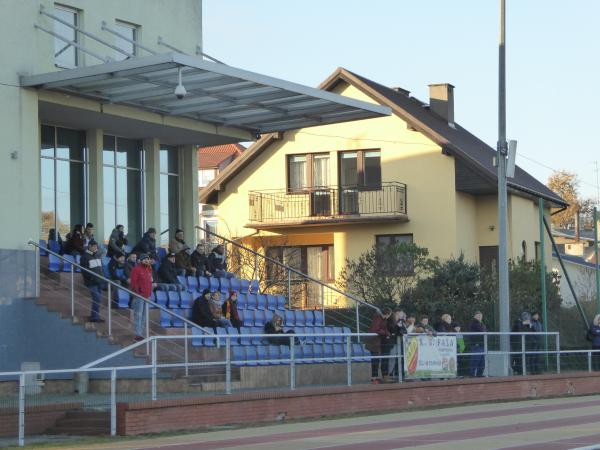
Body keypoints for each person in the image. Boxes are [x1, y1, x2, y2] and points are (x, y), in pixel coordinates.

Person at [129, 253, 155, 341]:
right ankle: (137, 334)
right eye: (144, 259)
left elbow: (150, 281)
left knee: (144, 316)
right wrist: (138, 292)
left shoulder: (149, 269)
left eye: (148, 259)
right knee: (138, 315)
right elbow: (133, 283)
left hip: (147, 296)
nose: (147, 261)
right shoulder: (136, 269)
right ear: (140, 260)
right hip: (139, 296)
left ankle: (140, 333)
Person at [79, 240, 104, 323]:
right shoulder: (85, 257)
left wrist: (101, 278)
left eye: (96, 247)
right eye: (93, 247)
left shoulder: (96, 256)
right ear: (89, 246)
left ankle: (96, 316)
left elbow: (100, 269)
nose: (95, 248)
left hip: (98, 282)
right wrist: (92, 278)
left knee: (98, 299)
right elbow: (84, 270)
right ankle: (94, 317)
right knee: (96, 298)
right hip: (91, 282)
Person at [366, 307, 392, 384]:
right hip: (373, 342)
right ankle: (374, 378)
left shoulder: (383, 319)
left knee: (377, 359)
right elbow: (375, 329)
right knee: (375, 360)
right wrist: (385, 333)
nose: (390, 316)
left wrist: (387, 333)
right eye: (389, 315)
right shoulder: (377, 317)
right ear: (387, 314)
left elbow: (384, 328)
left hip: (377, 342)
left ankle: (376, 377)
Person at [387, 309, 407, 379]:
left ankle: (397, 375)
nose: (400, 316)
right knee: (391, 359)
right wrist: (398, 327)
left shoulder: (400, 322)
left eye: (401, 314)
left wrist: (400, 328)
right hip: (392, 343)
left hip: (399, 344)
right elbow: (392, 329)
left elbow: (404, 331)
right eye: (399, 314)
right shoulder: (390, 321)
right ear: (396, 314)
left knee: (399, 359)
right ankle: (388, 375)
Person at [468, 311, 487, 377]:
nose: (480, 317)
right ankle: (472, 375)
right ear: (475, 316)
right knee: (475, 360)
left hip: (482, 345)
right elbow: (482, 330)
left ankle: (479, 375)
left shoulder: (481, 323)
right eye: (478, 316)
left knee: (482, 362)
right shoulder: (474, 323)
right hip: (477, 345)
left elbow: (484, 331)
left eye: (481, 316)